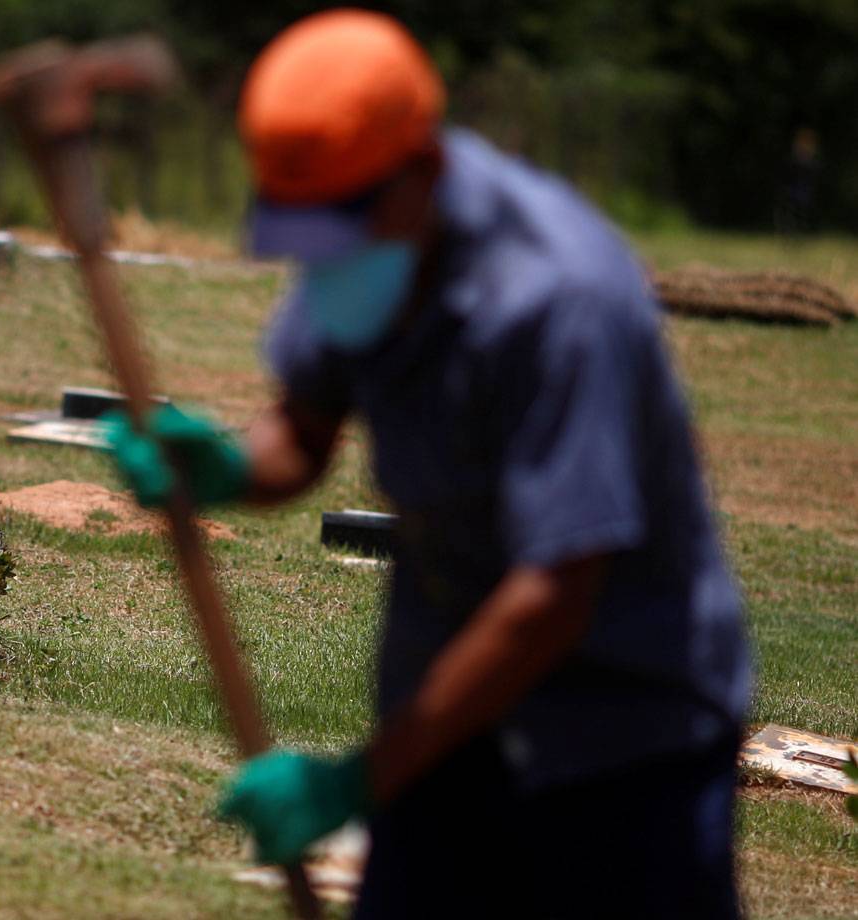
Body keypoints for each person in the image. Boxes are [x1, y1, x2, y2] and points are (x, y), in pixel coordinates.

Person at [104, 9, 751, 919]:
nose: (326, 258)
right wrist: (221, 464)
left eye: (344, 223)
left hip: (624, 743)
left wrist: (356, 783)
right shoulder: (354, 239)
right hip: (448, 727)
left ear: (425, 170)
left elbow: (550, 598)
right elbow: (302, 432)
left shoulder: (558, 300)